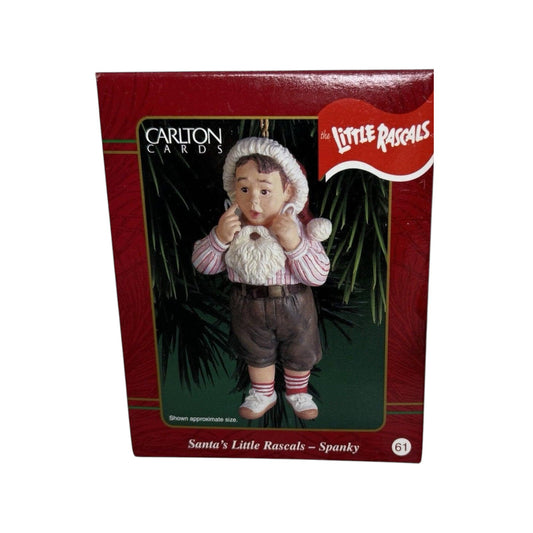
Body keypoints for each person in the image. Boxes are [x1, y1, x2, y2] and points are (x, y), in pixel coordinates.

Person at [192, 137, 331, 420]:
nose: (254, 200)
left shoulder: (299, 229)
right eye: (244, 189)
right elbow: (204, 265)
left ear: (288, 191)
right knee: (255, 351)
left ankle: (298, 392)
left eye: (265, 190)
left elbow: (318, 275)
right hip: (248, 305)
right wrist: (219, 238)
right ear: (234, 189)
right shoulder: (232, 226)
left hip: (294, 304)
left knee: (300, 349)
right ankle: (263, 392)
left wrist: (295, 245)